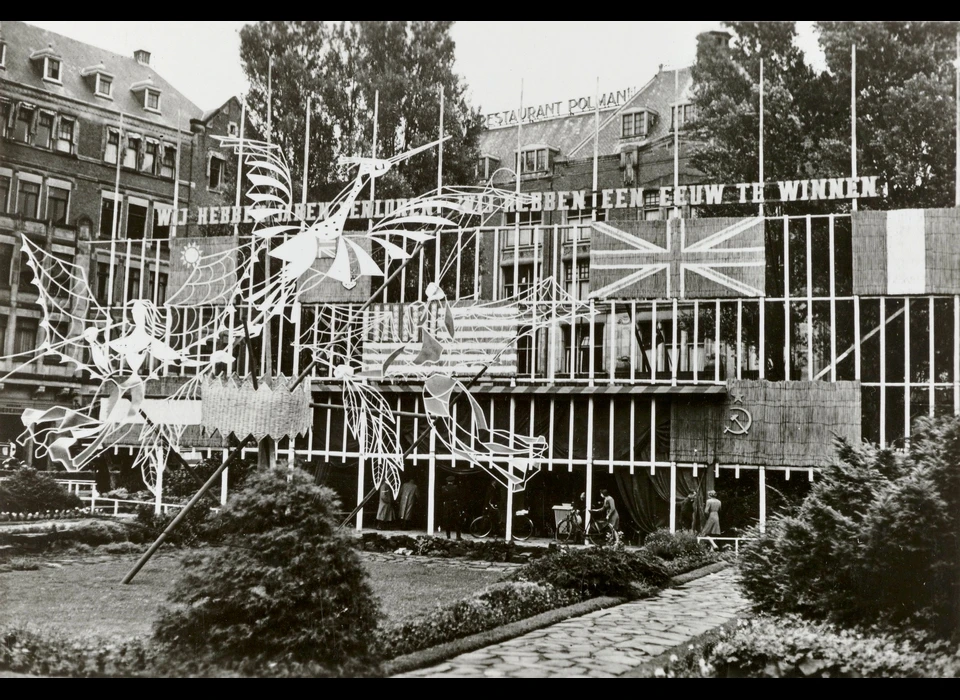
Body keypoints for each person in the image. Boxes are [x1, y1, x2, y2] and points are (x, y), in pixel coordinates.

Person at [440, 475, 463, 540]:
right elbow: (459, 496)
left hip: (446, 505)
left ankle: (448, 536)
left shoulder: (443, 488)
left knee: (447, 521)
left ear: (447, 481)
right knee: (457, 521)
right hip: (454, 505)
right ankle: (458, 536)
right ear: (453, 481)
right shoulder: (455, 487)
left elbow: (442, 497)